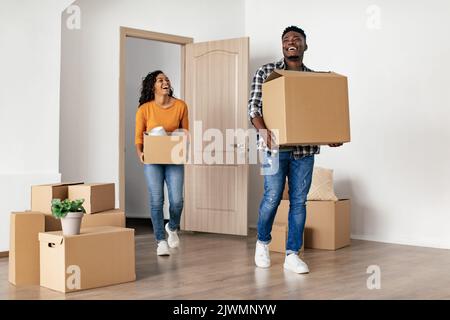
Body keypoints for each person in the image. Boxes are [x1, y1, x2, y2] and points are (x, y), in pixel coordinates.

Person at [248, 26, 342, 274]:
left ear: (305, 46)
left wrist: (331, 135)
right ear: (282, 46)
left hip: (304, 151)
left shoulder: (313, 79)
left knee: (299, 202)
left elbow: (318, 115)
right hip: (273, 148)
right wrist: (263, 131)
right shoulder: (267, 72)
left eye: (297, 39)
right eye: (287, 40)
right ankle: (262, 243)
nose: (292, 42)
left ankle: (292, 254)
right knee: (272, 197)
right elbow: (253, 108)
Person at [135, 70, 189, 256]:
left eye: (166, 79)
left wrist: (183, 144)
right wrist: (140, 153)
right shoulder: (145, 109)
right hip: (153, 159)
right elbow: (138, 136)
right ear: (153, 86)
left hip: (174, 158)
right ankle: (160, 241)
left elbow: (186, 131)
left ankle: (172, 227)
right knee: (157, 201)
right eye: (160, 80)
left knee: (176, 201)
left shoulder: (181, 106)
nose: (165, 82)